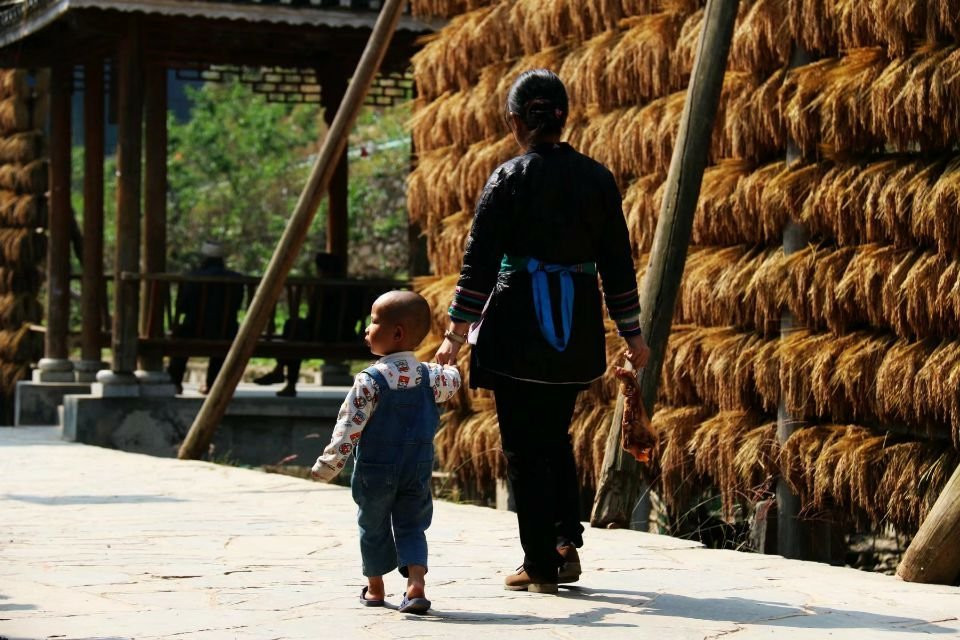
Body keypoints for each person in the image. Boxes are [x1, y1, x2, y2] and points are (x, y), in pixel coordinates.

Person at [433, 69, 651, 594]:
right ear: (562, 118)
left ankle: (539, 563)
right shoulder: (597, 179)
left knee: (522, 446)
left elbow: (479, 265)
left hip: (516, 327)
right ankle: (563, 544)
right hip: (574, 328)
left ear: (514, 122)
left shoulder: (508, 178)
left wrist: (454, 336)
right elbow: (617, 265)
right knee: (555, 437)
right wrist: (633, 334)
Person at [311, 290, 461, 614]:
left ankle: (376, 587)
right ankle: (416, 585)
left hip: (375, 470)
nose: (367, 328)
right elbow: (453, 380)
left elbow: (348, 426)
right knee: (412, 524)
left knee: (373, 524)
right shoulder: (431, 377)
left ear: (397, 333)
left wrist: (330, 464)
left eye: (374, 321)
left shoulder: (369, 381)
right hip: (416, 468)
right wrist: (450, 365)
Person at [254, 252, 361, 397]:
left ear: (321, 269)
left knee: (293, 329)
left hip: (321, 334)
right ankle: (280, 373)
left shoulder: (323, 287)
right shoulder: (353, 288)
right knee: (295, 330)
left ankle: (286, 378)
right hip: (347, 334)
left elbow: (314, 318)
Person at [167, 241, 246, 395]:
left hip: (194, 329)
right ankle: (213, 384)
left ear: (204, 259)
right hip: (225, 331)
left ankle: (175, 381)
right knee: (225, 335)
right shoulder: (236, 279)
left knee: (181, 334)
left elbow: (182, 307)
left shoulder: (192, 277)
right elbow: (237, 306)